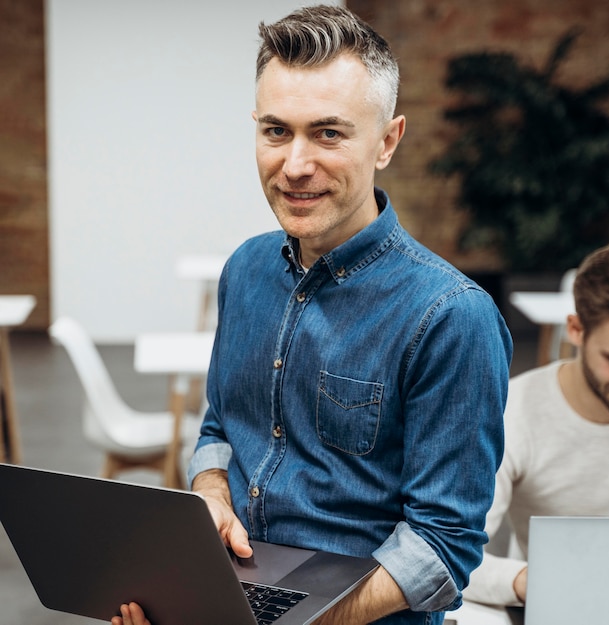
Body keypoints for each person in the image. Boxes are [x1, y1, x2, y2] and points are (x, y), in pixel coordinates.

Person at [112, 5, 512, 625]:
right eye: (276, 131)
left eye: (329, 134)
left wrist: (289, 623)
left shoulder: (451, 317)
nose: (295, 165)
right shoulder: (245, 271)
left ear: (387, 141)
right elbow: (220, 428)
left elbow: (441, 548)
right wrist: (209, 494)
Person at [463, 235, 609, 607]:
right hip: (570, 605)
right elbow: (453, 555)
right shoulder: (513, 412)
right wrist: (530, 580)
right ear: (576, 330)